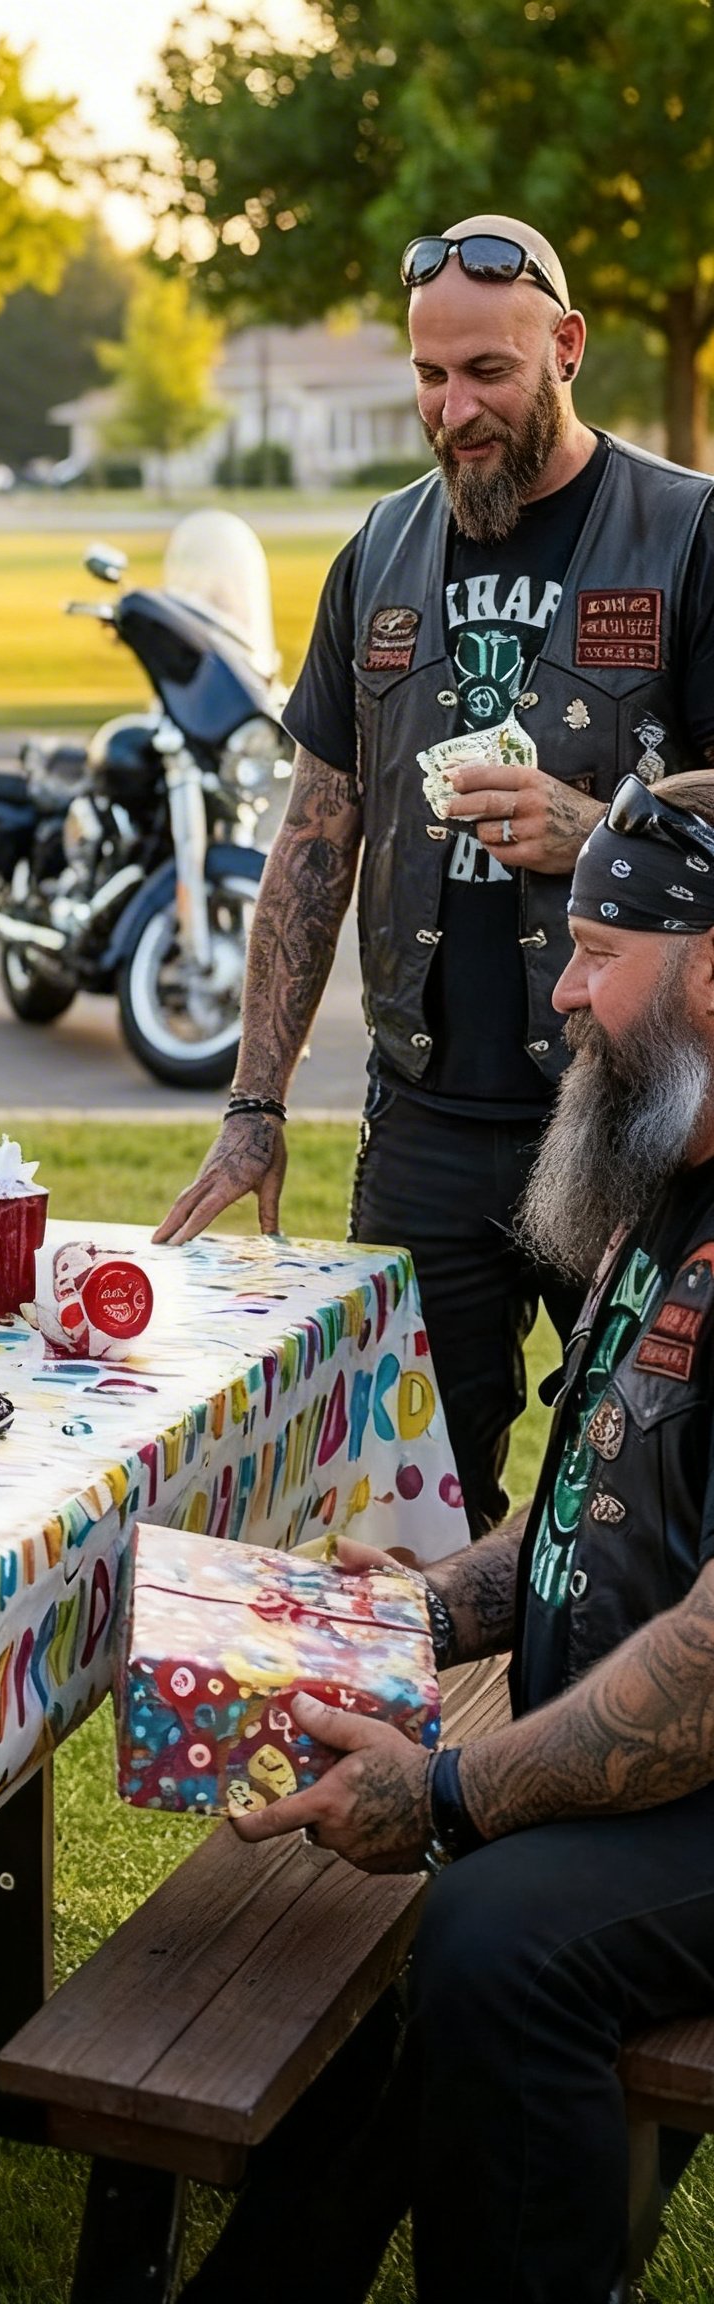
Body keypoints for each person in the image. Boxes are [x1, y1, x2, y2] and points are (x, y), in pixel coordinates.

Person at [177, 772, 714, 2304]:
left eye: (603, 954)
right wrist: (417, 1613)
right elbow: (586, 1502)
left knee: (492, 1939)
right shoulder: (668, 1170)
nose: (565, 992)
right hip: (655, 1745)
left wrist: (457, 1792)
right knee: (425, 1941)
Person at [156, 216, 714, 1536]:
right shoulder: (379, 553)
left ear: (567, 347)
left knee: (639, 1500)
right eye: (429, 377)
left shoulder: (689, 535)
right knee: (400, 1508)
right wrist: (253, 1102)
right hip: (423, 1124)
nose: (452, 411)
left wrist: (601, 829)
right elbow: (312, 841)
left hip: (630, 1111)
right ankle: (414, 1747)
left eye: (489, 375)